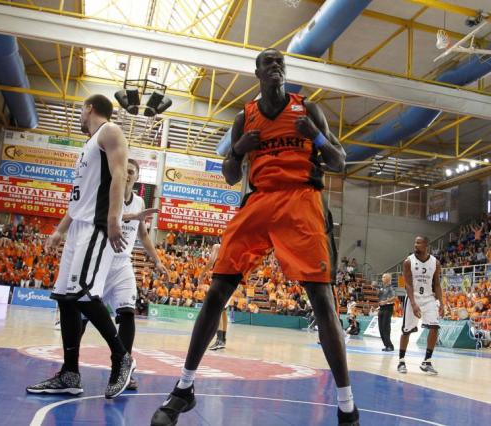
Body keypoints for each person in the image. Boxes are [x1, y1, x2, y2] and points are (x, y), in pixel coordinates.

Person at [151, 48, 359, 426]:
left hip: (301, 200)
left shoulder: (308, 110)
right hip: (259, 200)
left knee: (322, 300)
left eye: (281, 62)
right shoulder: (244, 117)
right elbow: (231, 176)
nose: (276, 66)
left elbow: (339, 161)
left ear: (285, 72)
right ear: (258, 72)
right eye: (269, 62)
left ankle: (347, 408)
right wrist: (237, 149)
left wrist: (315, 137)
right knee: (217, 290)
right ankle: (184, 388)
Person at [26, 94, 134, 398]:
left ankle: (122, 357)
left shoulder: (110, 131)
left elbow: (119, 174)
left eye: (80, 110)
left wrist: (113, 218)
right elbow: (80, 199)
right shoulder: (87, 146)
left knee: (83, 294)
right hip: (77, 228)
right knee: (65, 298)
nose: (79, 115)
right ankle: (70, 374)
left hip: (96, 226)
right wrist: (59, 231)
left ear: (89, 108)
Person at [80, 159, 168, 391]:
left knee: (127, 313)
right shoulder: (108, 195)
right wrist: (133, 216)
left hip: (122, 265)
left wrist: (157, 260)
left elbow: (144, 236)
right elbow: (107, 219)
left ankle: (122, 369)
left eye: (131, 172)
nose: (127, 175)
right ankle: (71, 368)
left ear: (137, 177)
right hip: (100, 261)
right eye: (125, 171)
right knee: (82, 316)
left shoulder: (139, 201)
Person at [397, 236, 443, 375]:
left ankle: (427, 361)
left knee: (434, 327)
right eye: (415, 242)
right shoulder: (408, 261)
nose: (415, 245)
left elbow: (437, 284)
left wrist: (441, 303)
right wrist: (413, 303)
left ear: (426, 245)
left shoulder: (435, 262)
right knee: (406, 331)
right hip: (414, 298)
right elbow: (408, 285)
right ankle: (401, 361)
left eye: (419, 243)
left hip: (429, 298)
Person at [199, 243, 227, 351]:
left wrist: (202, 274)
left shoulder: (217, 246)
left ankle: (219, 340)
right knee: (223, 312)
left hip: (221, 280)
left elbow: (211, 261)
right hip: (231, 281)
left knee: (217, 311)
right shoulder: (230, 247)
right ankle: (223, 339)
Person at [377, 273, 396, 351]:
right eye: (382, 277)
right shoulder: (382, 287)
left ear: (388, 278)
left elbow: (394, 297)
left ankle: (390, 346)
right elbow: (379, 296)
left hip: (388, 308)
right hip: (381, 308)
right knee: (381, 328)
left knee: (386, 327)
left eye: (384, 277)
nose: (382, 278)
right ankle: (386, 345)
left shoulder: (391, 287)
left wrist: (385, 302)